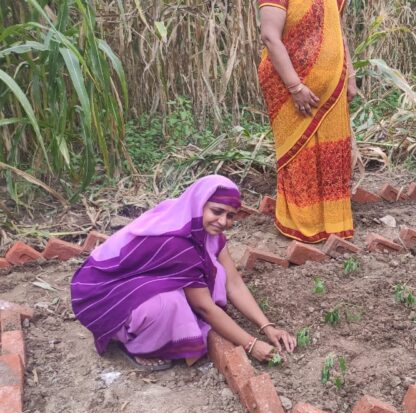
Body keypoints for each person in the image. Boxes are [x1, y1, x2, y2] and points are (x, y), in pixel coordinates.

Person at [71, 175, 296, 370]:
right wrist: (252, 345)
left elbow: (233, 282)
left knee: (204, 281)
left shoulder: (200, 226)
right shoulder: (179, 243)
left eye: (230, 216)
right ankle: (134, 344)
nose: (223, 221)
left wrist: (267, 327)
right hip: (101, 295)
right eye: (217, 211)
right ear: (199, 204)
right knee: (169, 304)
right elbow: (204, 307)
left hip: (132, 282)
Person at [257, 0, 358, 243]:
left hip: (332, 84)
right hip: (291, 87)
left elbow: (337, 32)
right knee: (300, 154)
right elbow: (270, 37)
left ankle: (333, 223)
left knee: (331, 153)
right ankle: (302, 224)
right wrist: (295, 86)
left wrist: (350, 75)